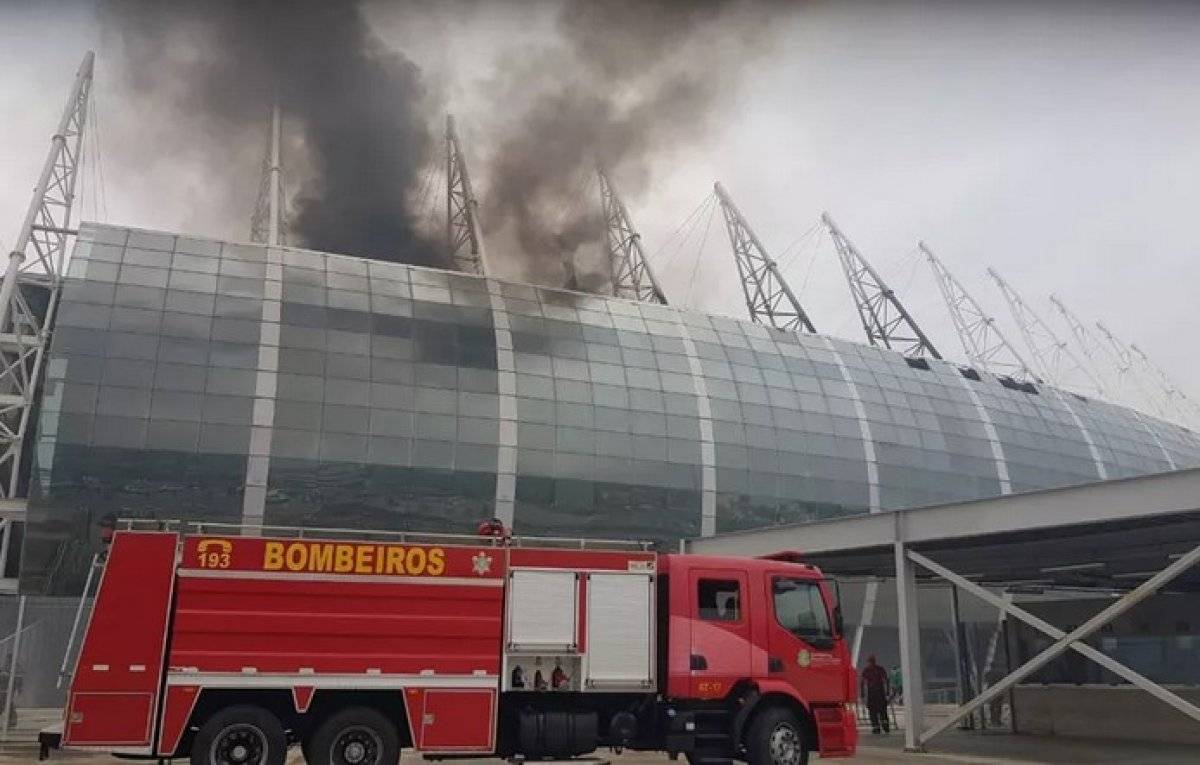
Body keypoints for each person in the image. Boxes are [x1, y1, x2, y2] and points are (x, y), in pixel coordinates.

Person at [860, 655, 891, 734]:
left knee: (875, 712)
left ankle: (878, 728)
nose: (870, 663)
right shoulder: (879, 669)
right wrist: (887, 692)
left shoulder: (867, 670)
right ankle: (883, 727)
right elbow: (886, 680)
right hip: (879, 693)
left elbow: (862, 683)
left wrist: (862, 694)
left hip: (875, 693)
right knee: (881, 711)